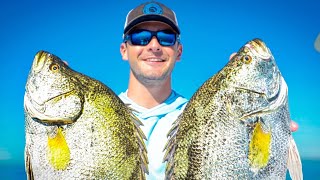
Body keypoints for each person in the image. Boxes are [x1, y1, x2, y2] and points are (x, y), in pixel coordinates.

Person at [118, 1, 298, 179]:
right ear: (124, 50)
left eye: (166, 38)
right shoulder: (96, 116)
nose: (154, 45)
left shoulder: (204, 117)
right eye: (140, 37)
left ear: (178, 51)